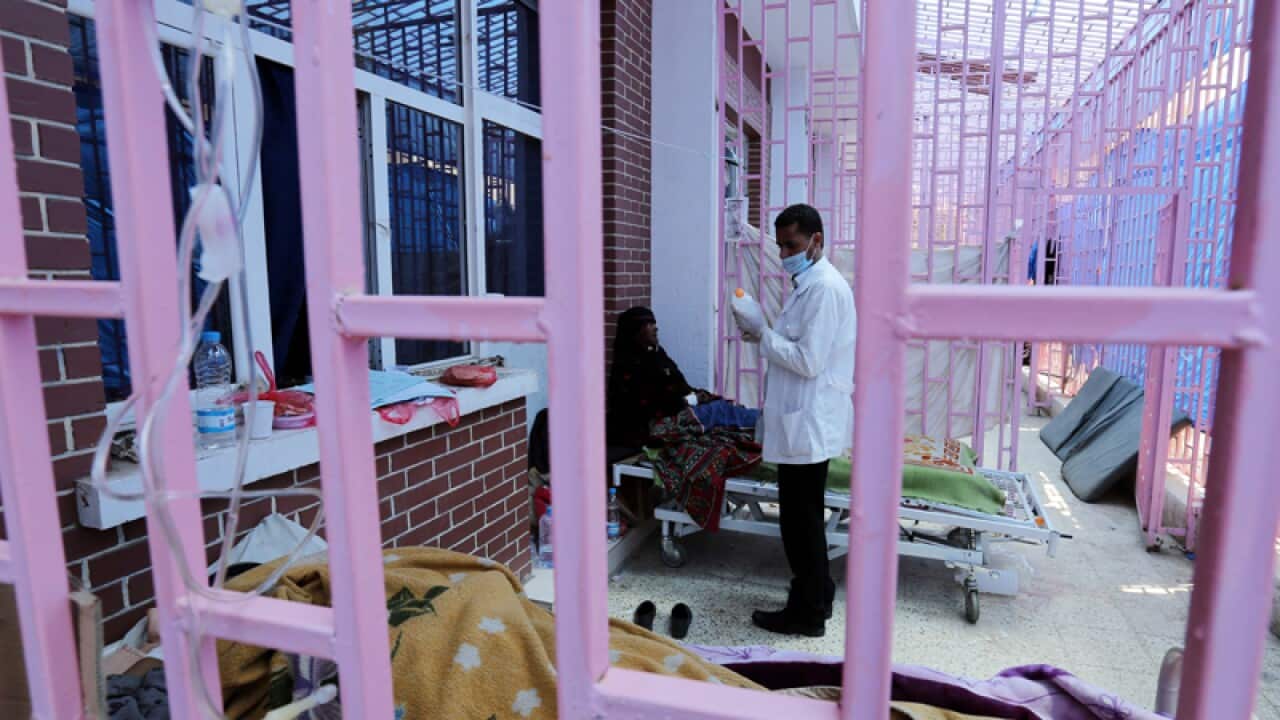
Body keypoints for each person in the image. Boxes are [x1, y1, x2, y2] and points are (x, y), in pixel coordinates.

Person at [733, 203, 857, 637]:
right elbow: (798, 347)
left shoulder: (823, 288)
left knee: (799, 522)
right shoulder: (810, 284)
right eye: (782, 244)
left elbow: (808, 360)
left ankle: (807, 613)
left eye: (793, 244)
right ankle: (817, 597)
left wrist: (762, 334)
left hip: (810, 421)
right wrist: (760, 331)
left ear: (816, 241)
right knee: (803, 518)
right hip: (804, 419)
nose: (785, 253)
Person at [606, 306, 703, 450]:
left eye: (654, 323)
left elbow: (677, 381)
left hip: (676, 409)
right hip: (642, 428)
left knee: (718, 406)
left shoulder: (656, 353)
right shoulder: (628, 365)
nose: (655, 328)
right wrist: (686, 401)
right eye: (649, 324)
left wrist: (693, 395)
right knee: (713, 415)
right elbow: (647, 404)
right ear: (636, 331)